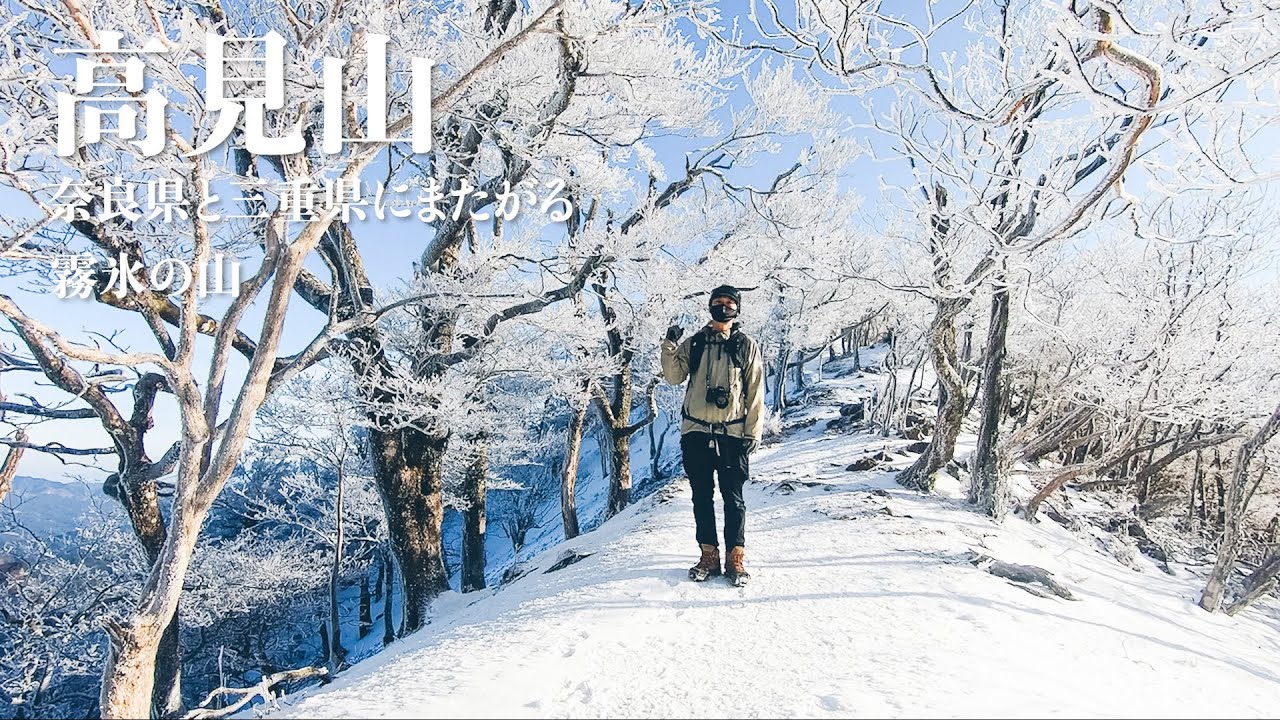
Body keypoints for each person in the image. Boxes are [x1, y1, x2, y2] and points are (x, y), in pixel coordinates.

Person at [660, 284, 765, 586]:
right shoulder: (695, 344)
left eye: (729, 302)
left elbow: (756, 391)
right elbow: (673, 376)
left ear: (737, 308)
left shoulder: (746, 345)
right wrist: (669, 345)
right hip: (695, 432)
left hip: (733, 435)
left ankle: (736, 558)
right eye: (718, 302)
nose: (723, 306)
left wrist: (753, 433)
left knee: (734, 499)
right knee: (701, 498)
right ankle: (708, 554)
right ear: (710, 306)